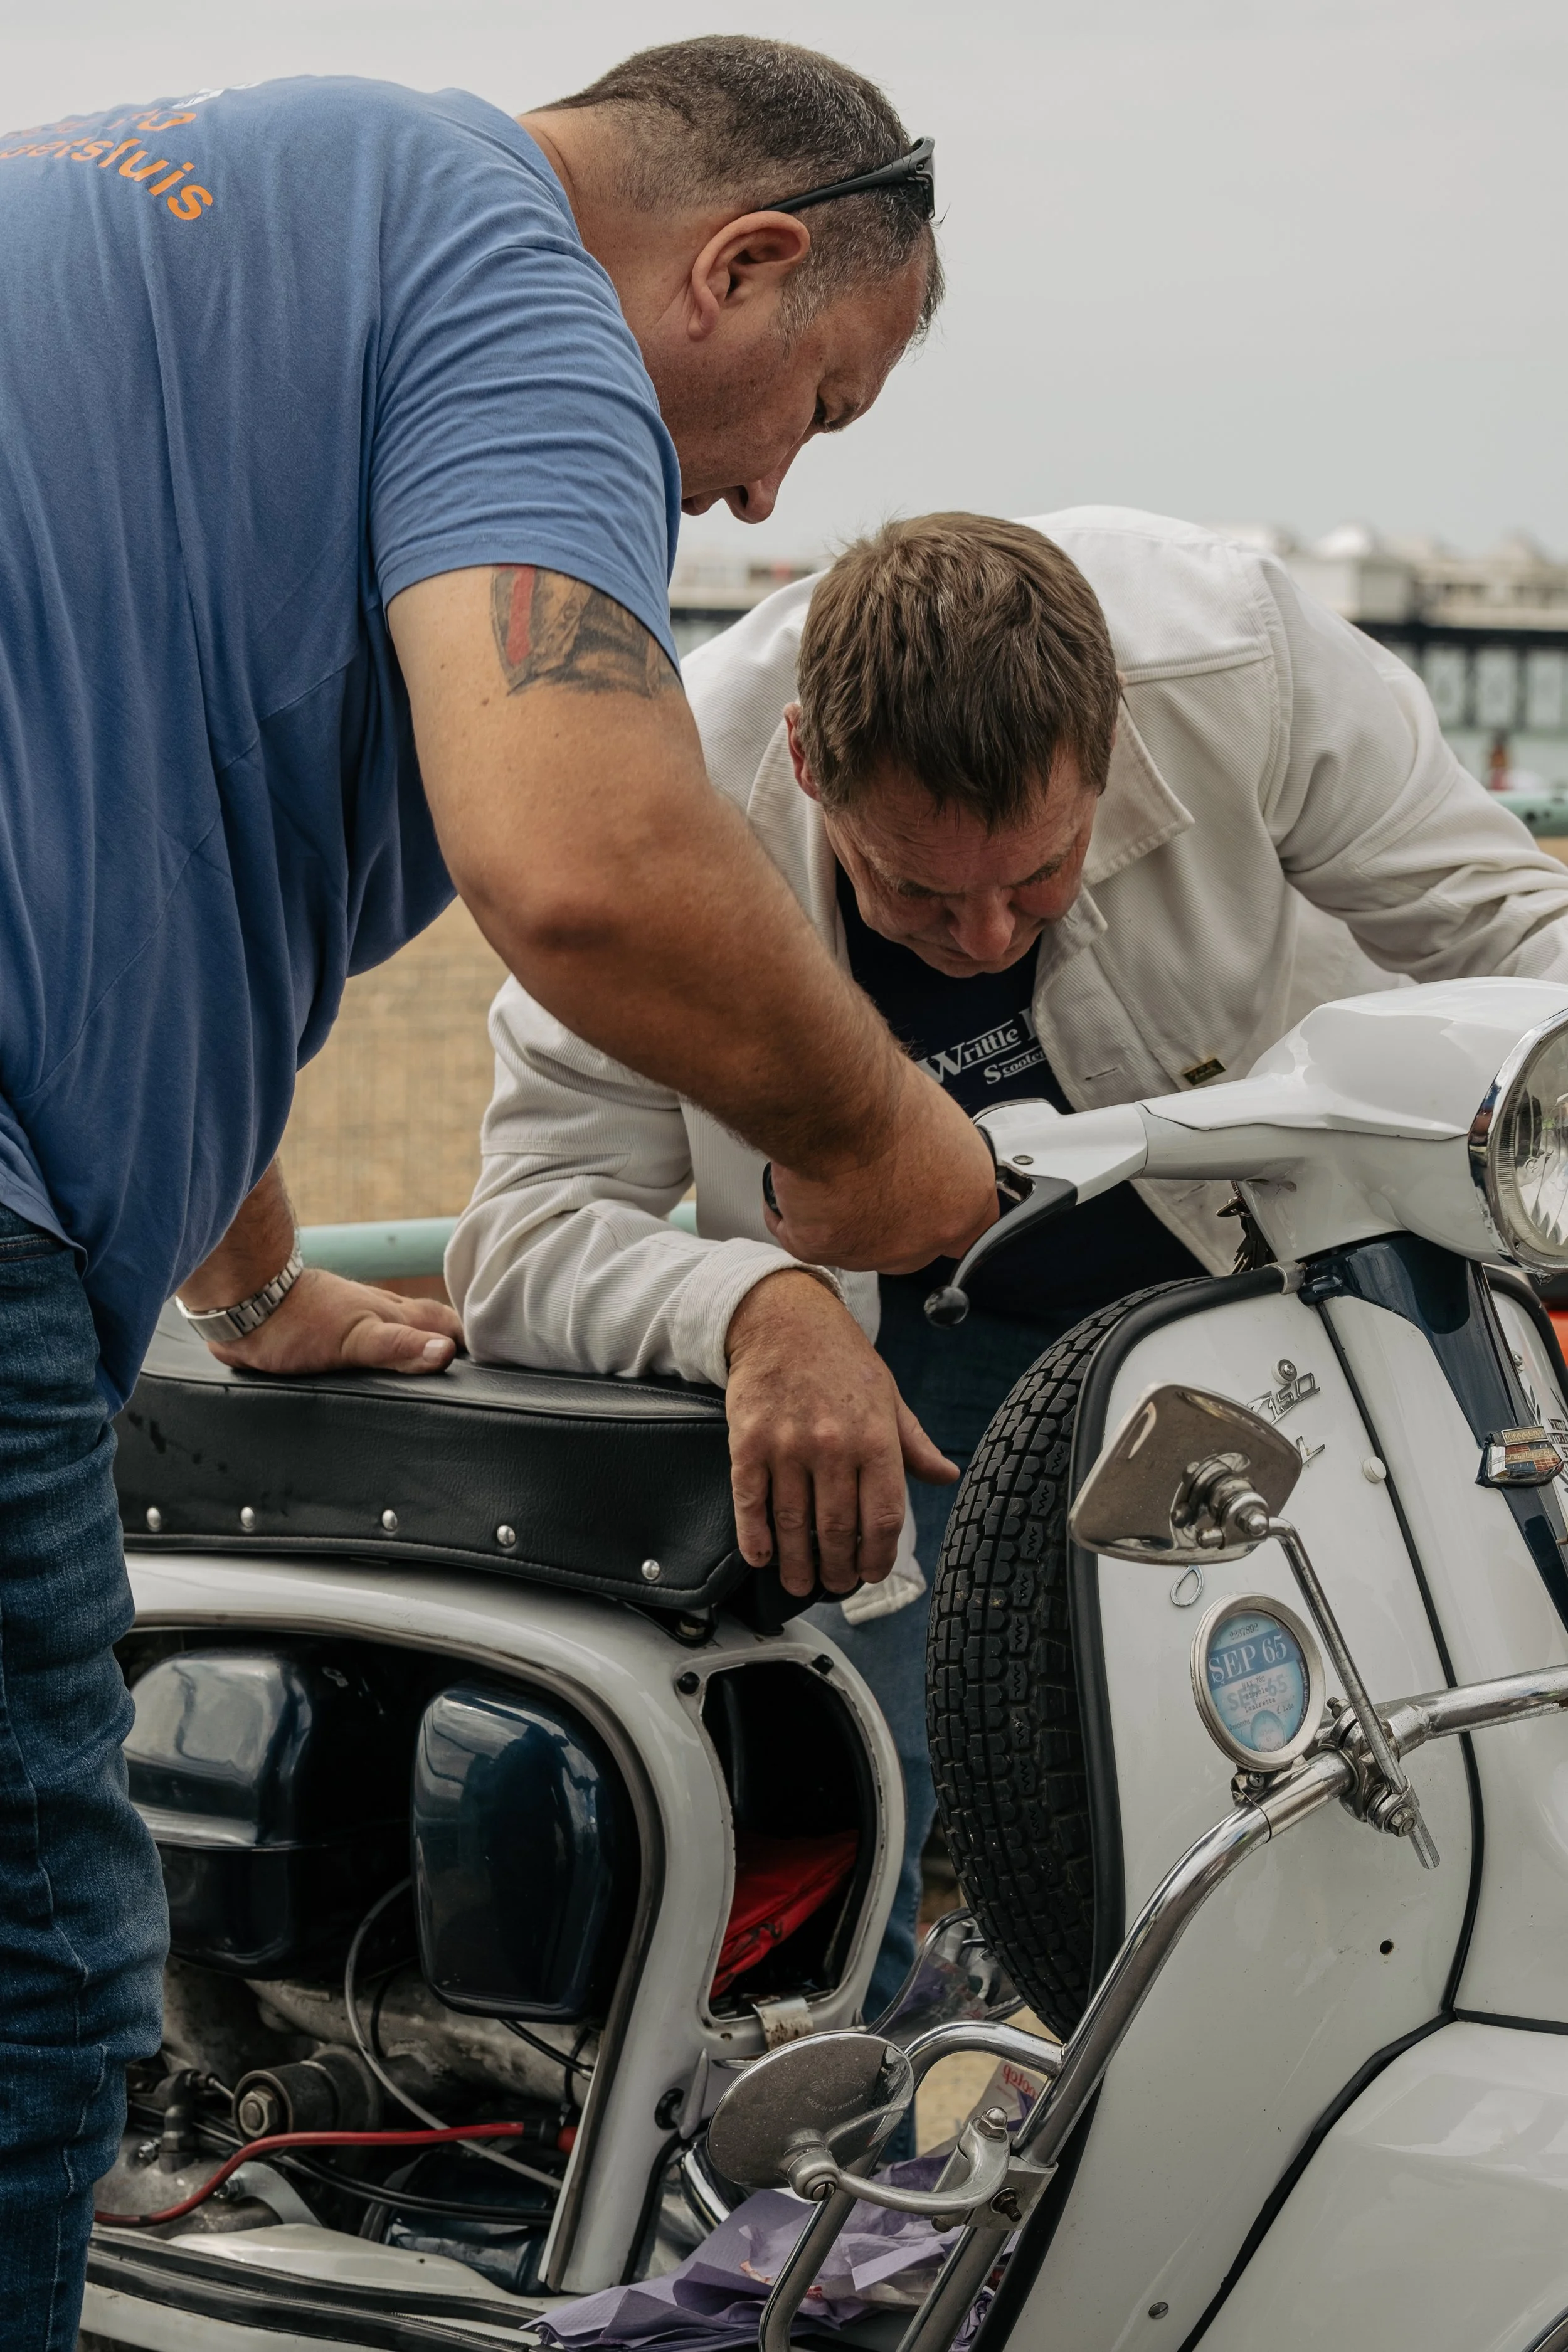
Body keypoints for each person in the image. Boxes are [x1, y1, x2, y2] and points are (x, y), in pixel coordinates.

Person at [0, 45, 1002, 2339]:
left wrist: (257, 1290)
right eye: (809, 412)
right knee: (41, 1985)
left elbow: (120, 850)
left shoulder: (231, 232)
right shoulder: (503, 266)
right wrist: (887, 1161)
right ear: (737, 270)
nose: (752, 505)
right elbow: (583, 855)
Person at [448, 506, 1568, 2023]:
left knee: (1404, 1720)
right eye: (910, 894)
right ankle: (860, 2153)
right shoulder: (663, 812)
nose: (978, 934)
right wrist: (753, 1307)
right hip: (907, 1351)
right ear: (802, 759)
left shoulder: (1243, 652)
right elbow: (521, 1226)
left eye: (1038, 877)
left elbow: (1512, 933)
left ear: (1107, 753)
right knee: (875, 1770)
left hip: (1273, 1281)